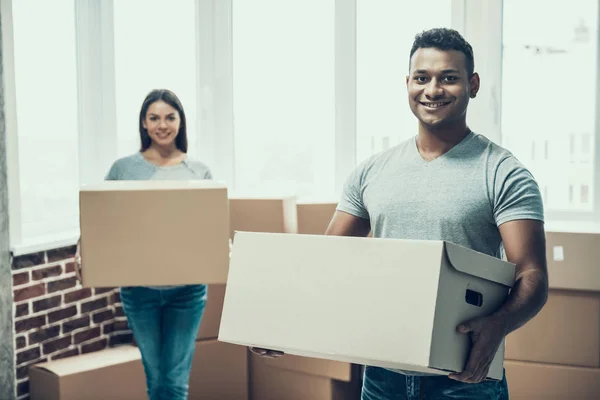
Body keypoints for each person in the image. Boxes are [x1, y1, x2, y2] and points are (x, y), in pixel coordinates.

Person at [251, 28, 549, 399]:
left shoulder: (502, 172)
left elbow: (532, 272)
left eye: (449, 78)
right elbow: (326, 262)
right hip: (381, 377)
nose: (433, 89)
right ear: (408, 83)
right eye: (422, 78)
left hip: (464, 379)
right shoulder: (371, 171)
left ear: (472, 85)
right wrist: (279, 322)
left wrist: (498, 325)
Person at [75, 89, 213, 400]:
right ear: (144, 123)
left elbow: (209, 226)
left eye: (170, 117)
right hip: (139, 291)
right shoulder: (123, 169)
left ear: (180, 122)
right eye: (154, 118)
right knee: (155, 377)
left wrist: (220, 246)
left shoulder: (199, 171)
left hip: (187, 291)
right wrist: (82, 248)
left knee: (175, 380)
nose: (162, 125)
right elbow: (100, 219)